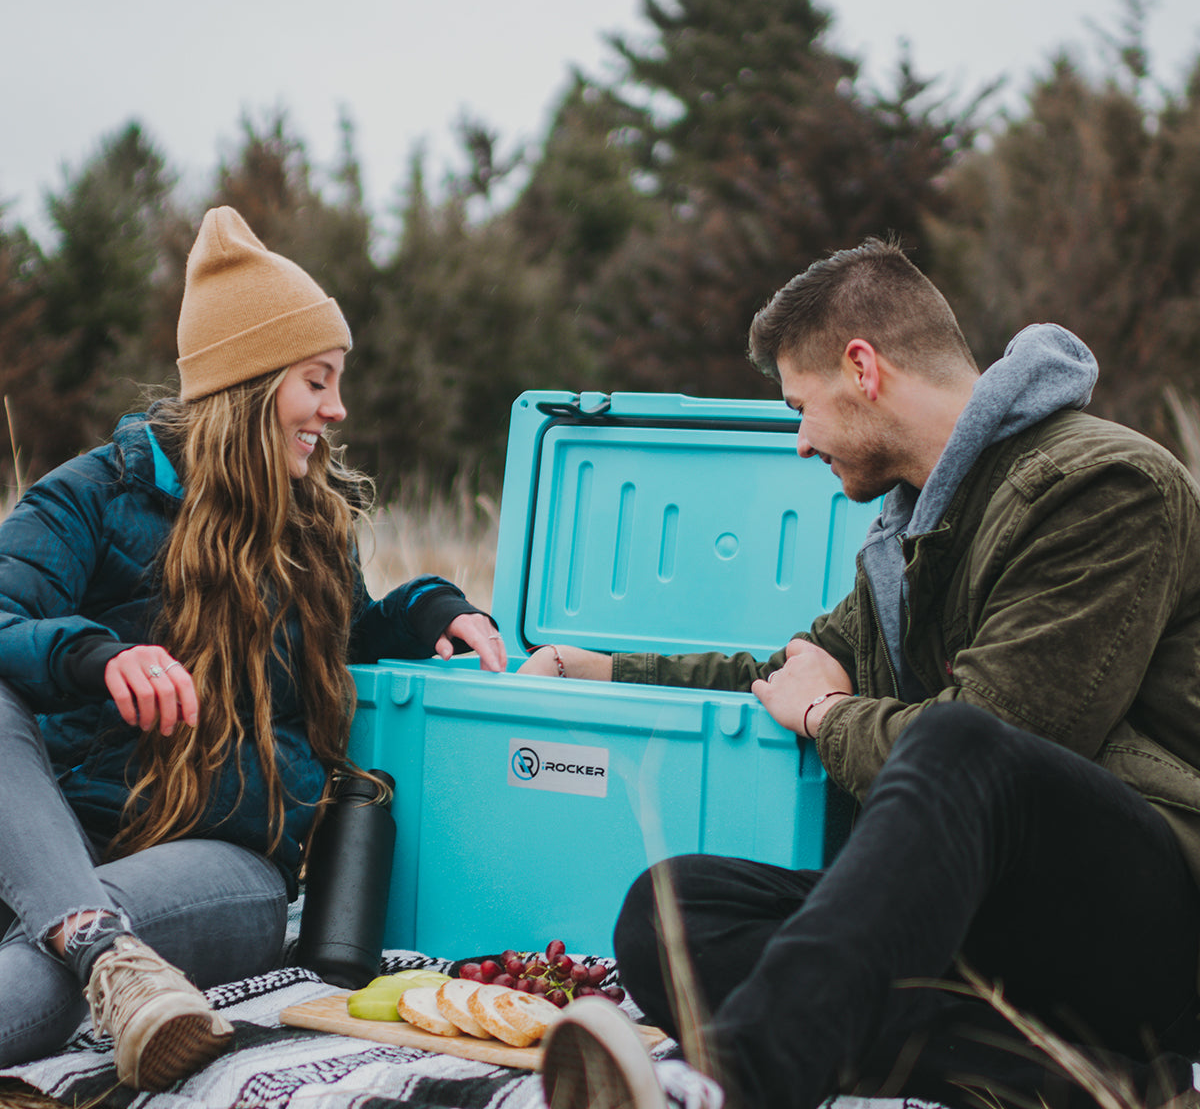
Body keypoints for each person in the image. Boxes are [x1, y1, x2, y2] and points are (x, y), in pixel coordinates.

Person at [531, 237, 1200, 1109]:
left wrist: (826, 720)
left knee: (965, 741)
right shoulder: (909, 538)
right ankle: (1078, 1083)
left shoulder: (1105, 486)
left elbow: (1008, 743)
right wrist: (607, 670)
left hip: (1149, 920)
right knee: (673, 912)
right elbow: (786, 674)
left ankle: (738, 1081)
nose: (800, 443)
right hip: (985, 921)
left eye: (800, 407)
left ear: (862, 367)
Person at [0, 206, 506, 1090]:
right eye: (317, 381)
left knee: (51, 941)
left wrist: (433, 612)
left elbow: (345, 631)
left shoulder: (313, 518)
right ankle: (103, 954)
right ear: (249, 383)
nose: (336, 409)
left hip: (225, 860)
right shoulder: (93, 495)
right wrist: (98, 655)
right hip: (66, 835)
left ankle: (84, 938)